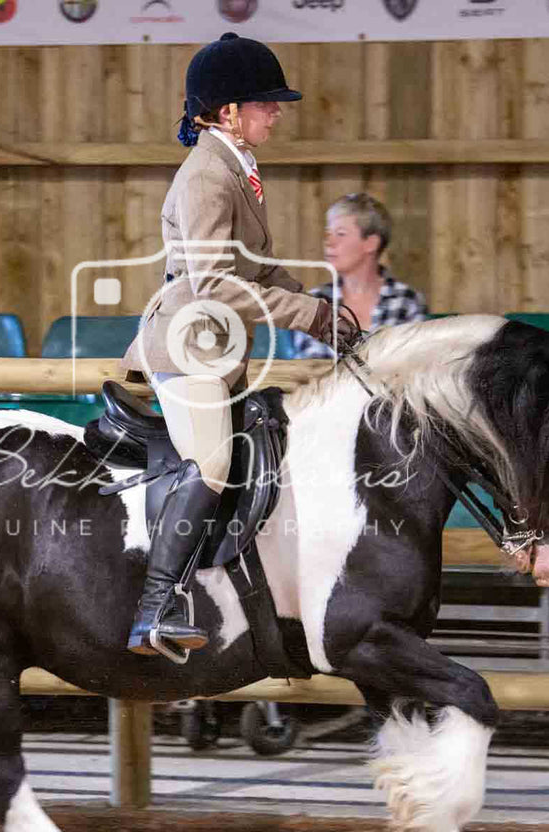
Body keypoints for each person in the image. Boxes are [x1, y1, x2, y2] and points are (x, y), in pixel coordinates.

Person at [118, 32, 358, 659]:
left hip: (217, 346)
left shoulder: (236, 166)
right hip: (187, 342)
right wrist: (306, 314)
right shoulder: (206, 176)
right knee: (215, 463)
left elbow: (257, 265)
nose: (277, 112)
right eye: (267, 103)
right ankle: (155, 607)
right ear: (229, 112)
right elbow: (214, 283)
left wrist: (322, 308)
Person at [290, 193, 429, 360]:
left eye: (340, 234)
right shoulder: (315, 301)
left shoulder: (408, 302)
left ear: (371, 244)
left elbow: (416, 369)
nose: (329, 242)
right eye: (328, 234)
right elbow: (309, 370)